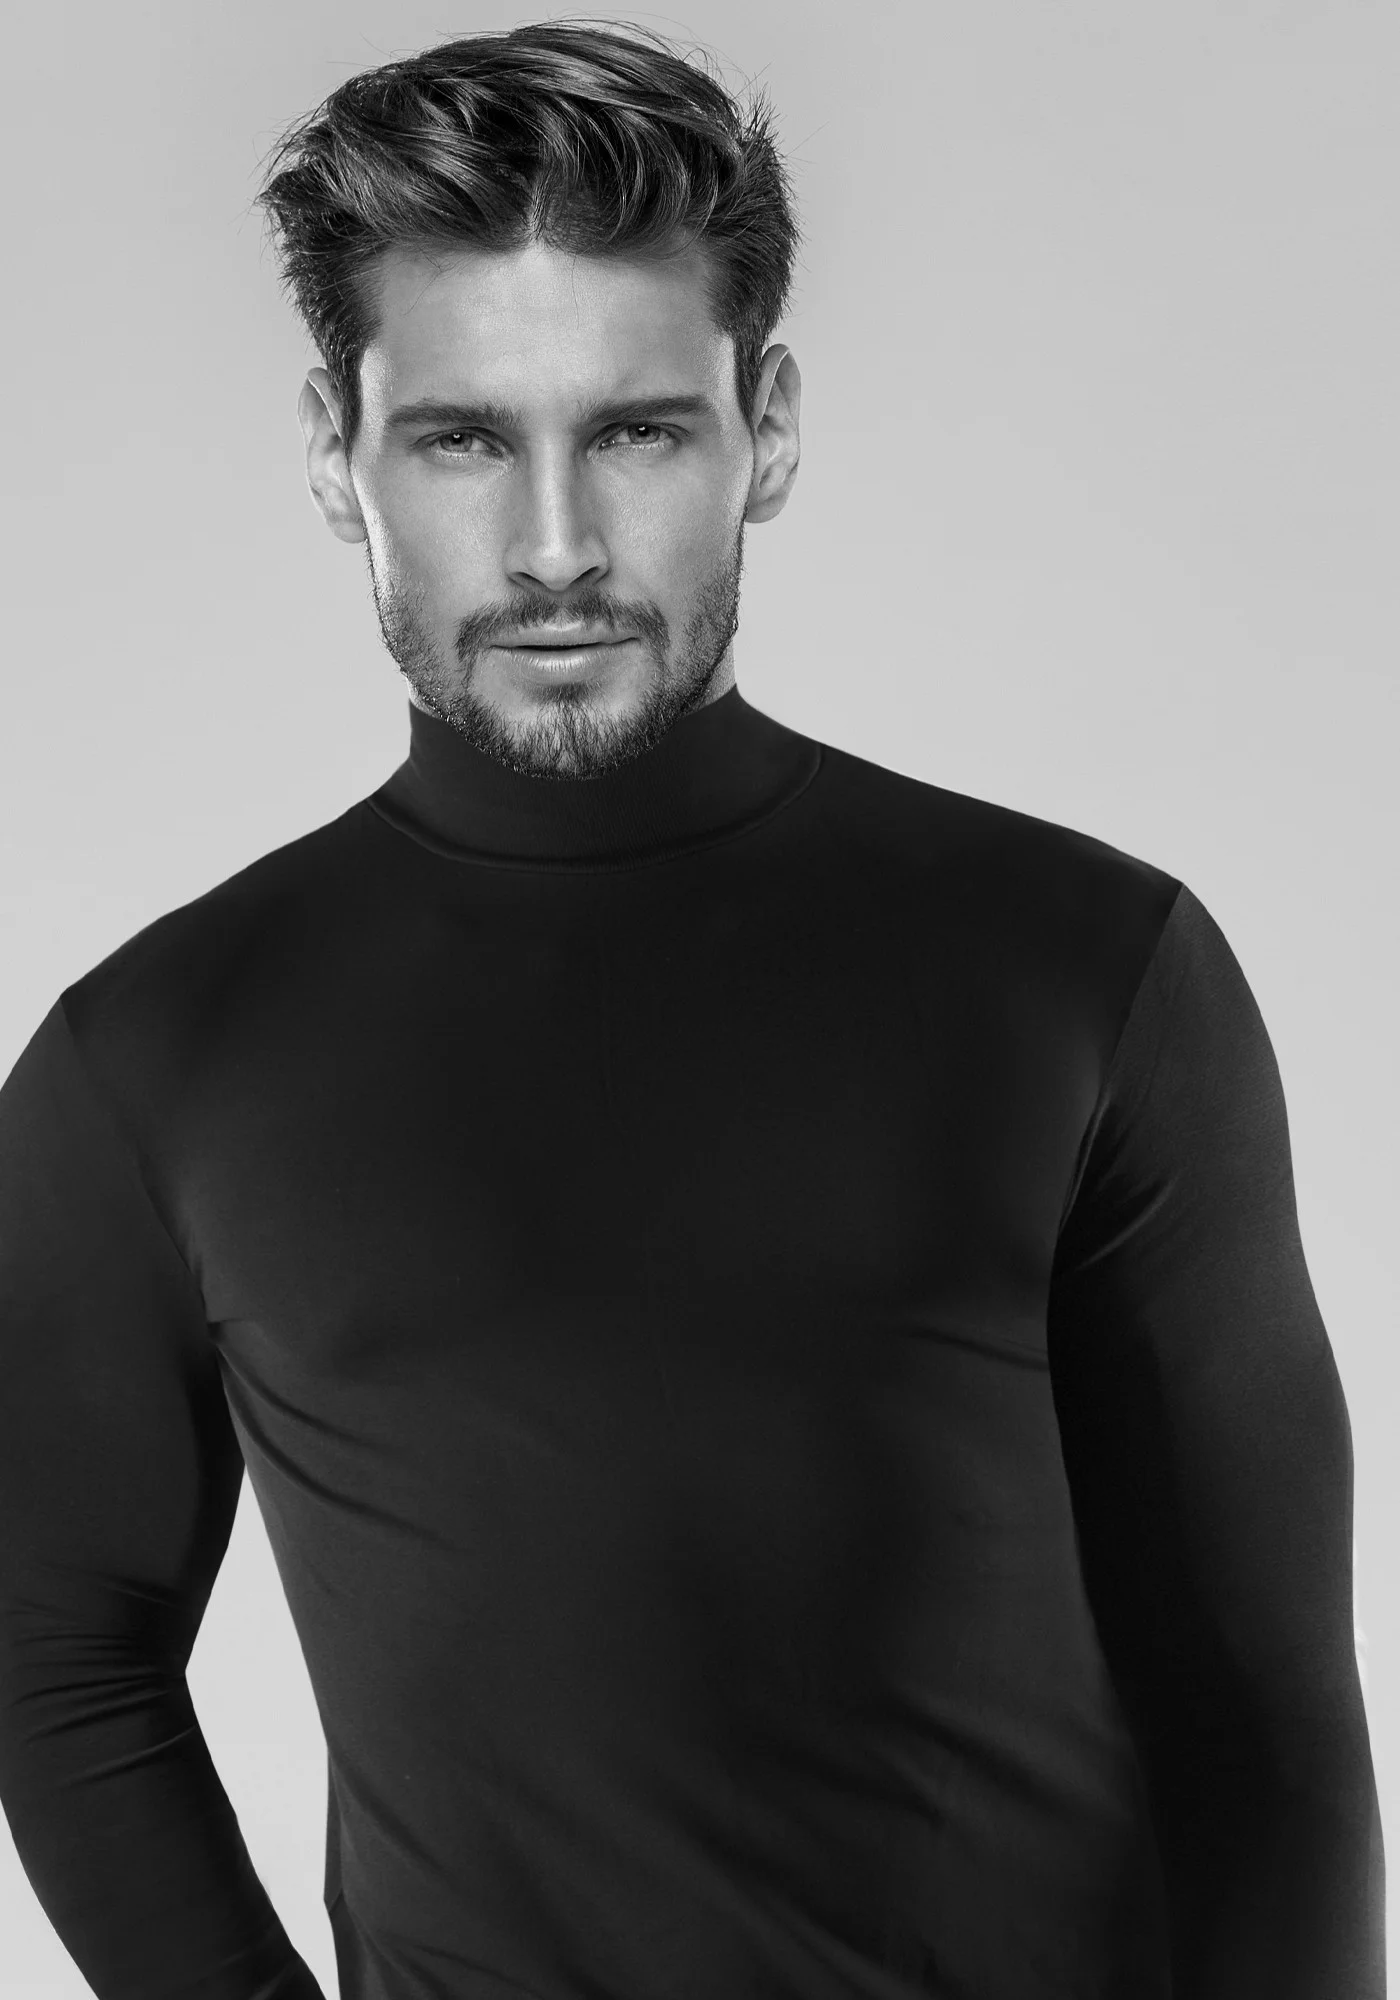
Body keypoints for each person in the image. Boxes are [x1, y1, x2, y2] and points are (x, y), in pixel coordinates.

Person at [0, 20, 1383, 1999]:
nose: (556, 546)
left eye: (637, 431)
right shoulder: (153, 1059)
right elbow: (57, 1657)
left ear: (768, 428)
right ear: (334, 453)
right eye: (463, 438)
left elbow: (1264, 1722)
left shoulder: (1086, 969)